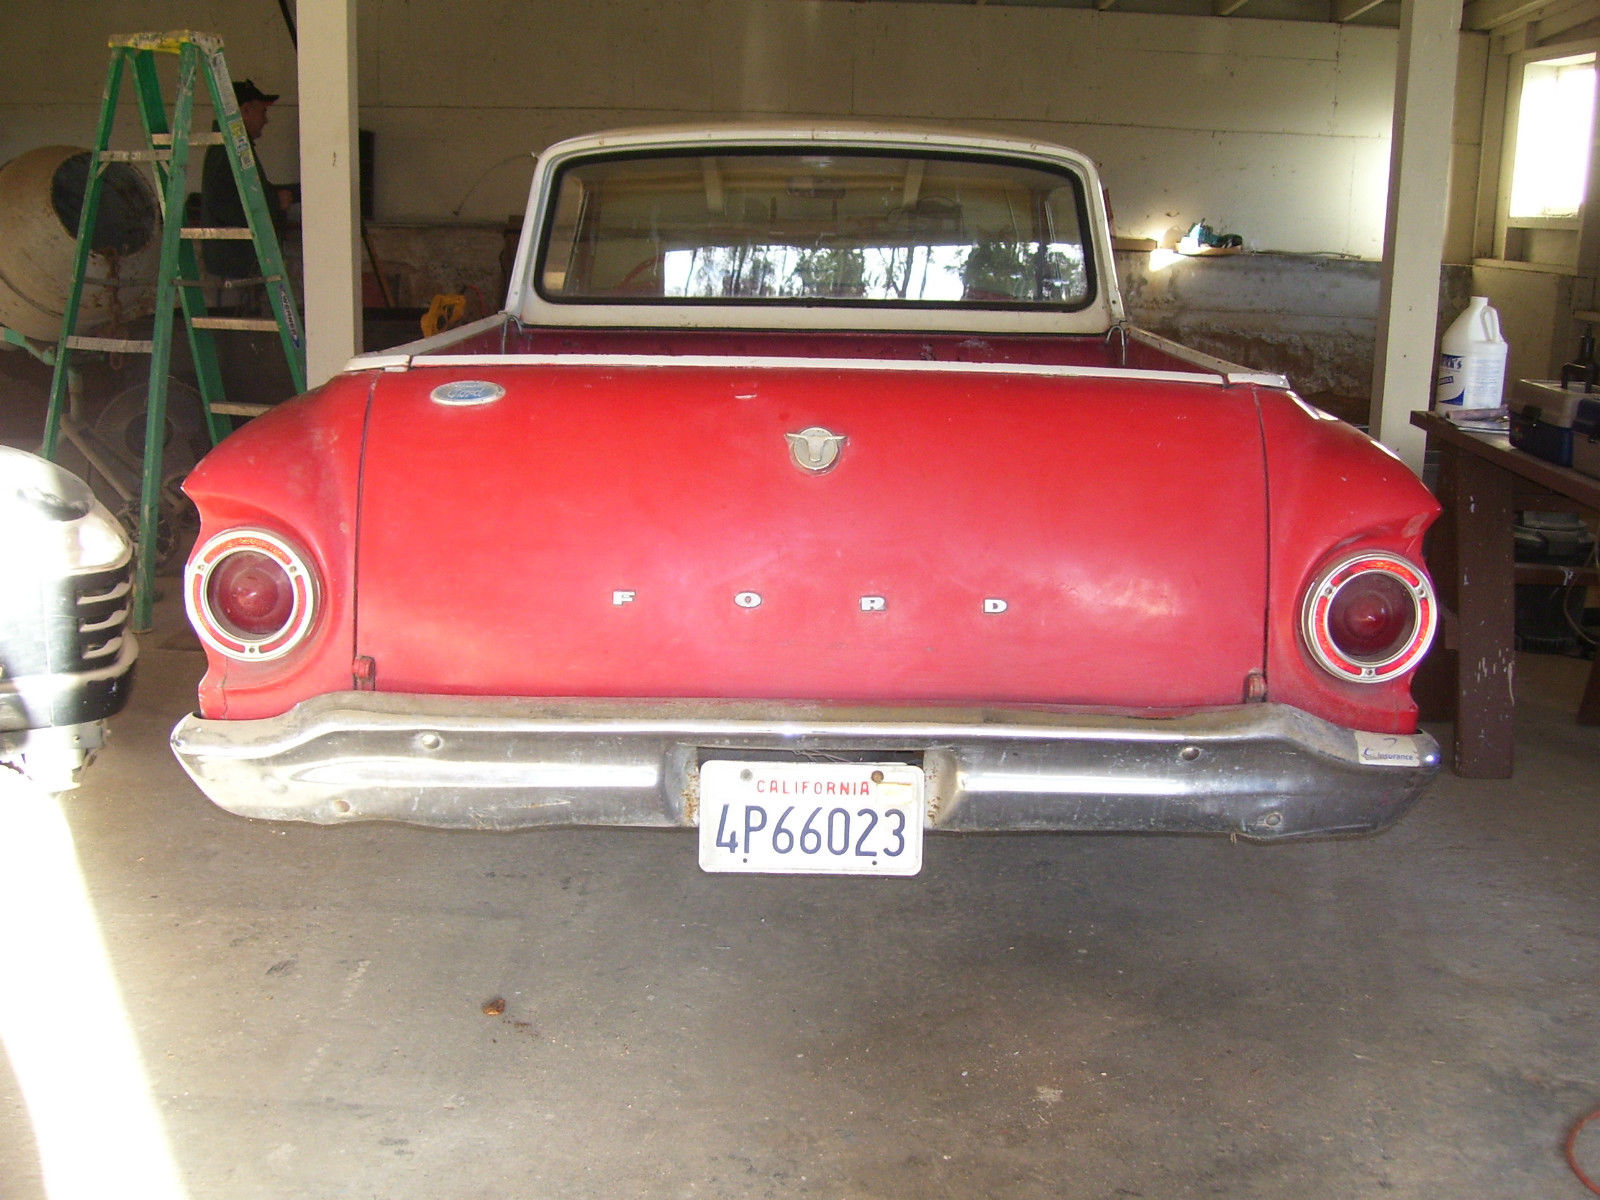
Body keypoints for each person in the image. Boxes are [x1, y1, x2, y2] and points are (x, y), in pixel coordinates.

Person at [198, 79, 297, 284]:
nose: (266, 120)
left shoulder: (233, 147)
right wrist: (274, 202)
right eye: (263, 112)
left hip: (235, 253)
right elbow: (225, 203)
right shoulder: (229, 150)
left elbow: (249, 191)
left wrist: (291, 193)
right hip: (236, 256)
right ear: (245, 111)